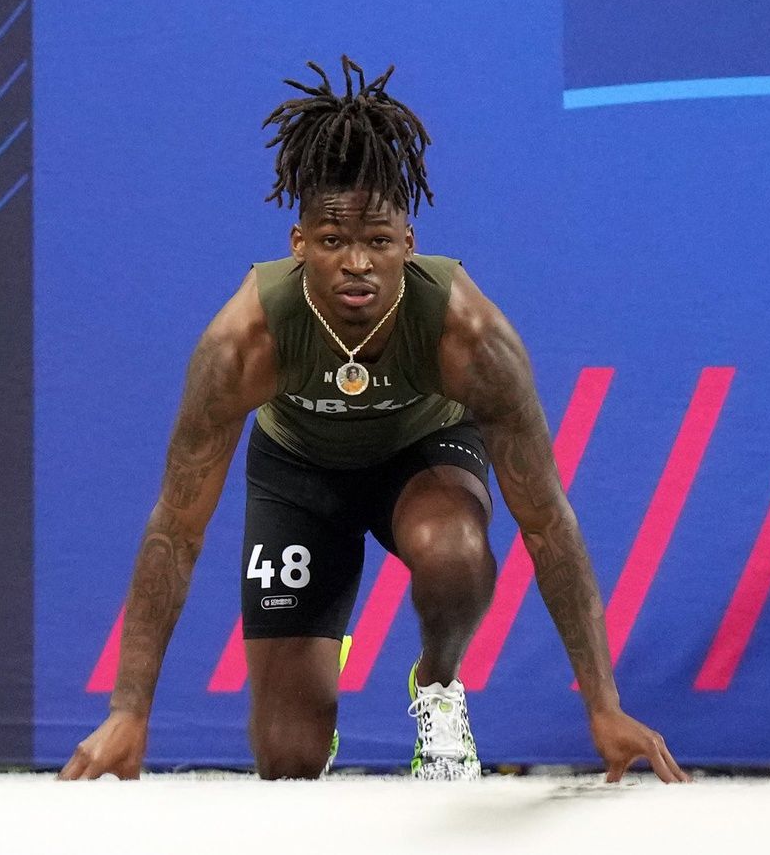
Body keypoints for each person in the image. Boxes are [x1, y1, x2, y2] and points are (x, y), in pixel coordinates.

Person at [59, 58, 688, 783]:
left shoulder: (470, 336)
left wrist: (604, 706)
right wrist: (129, 711)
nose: (357, 263)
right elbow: (176, 525)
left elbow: (547, 522)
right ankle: (318, 660)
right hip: (299, 477)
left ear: (409, 244)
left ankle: (439, 685)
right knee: (287, 756)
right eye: (332, 241)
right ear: (298, 246)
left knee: (454, 551)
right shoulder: (244, 341)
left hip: (421, 456)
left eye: (379, 242)